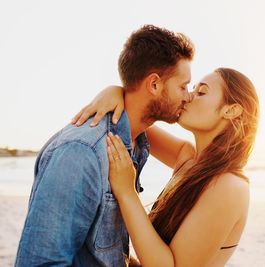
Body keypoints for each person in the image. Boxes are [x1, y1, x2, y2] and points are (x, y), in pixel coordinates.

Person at [15, 25, 194, 266]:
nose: (188, 96)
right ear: (154, 85)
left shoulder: (133, 142)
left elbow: (104, 252)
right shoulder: (81, 153)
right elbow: (41, 262)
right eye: (183, 86)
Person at [74, 67, 260, 266]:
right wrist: (115, 91)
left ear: (231, 110)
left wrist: (127, 192)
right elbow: (134, 118)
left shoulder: (229, 187)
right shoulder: (188, 158)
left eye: (201, 92)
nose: (188, 96)